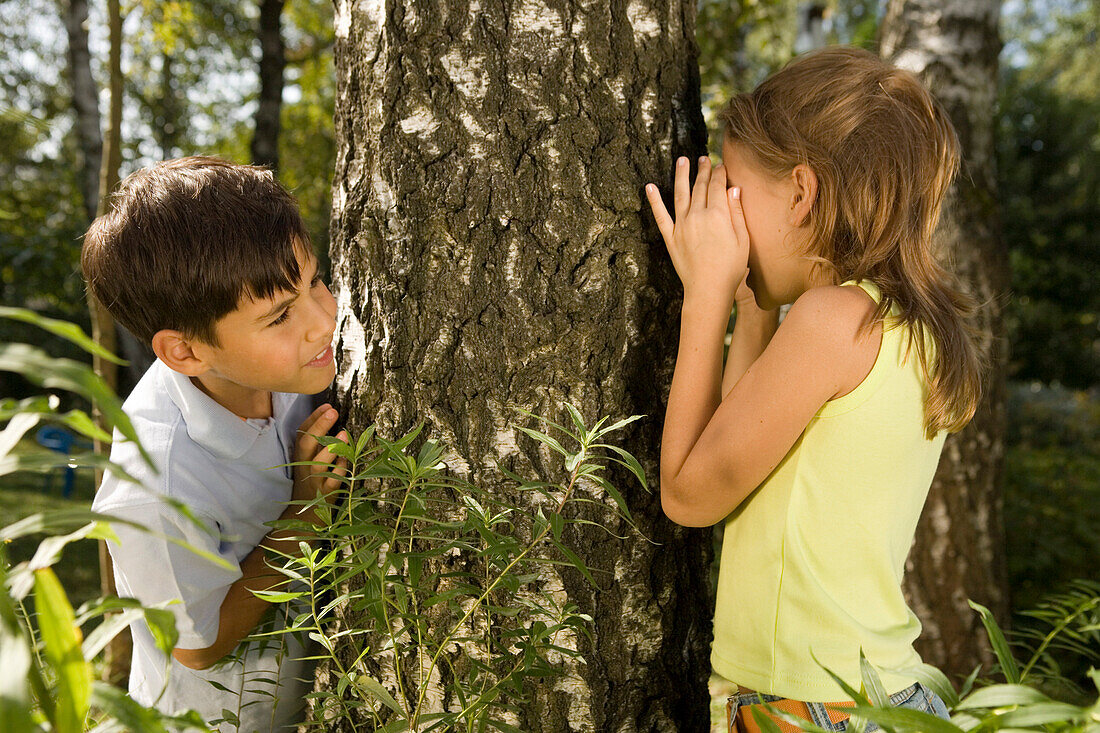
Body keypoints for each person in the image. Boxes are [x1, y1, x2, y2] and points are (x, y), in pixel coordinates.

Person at [645, 47, 984, 732]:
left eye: (735, 190)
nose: (726, 216)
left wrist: (706, 297)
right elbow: (743, 448)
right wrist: (754, 309)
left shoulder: (833, 321)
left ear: (802, 192)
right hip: (878, 700)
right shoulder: (902, 329)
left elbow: (690, 493)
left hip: (805, 711)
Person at [83, 157, 348, 731]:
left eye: (316, 282)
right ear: (186, 352)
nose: (324, 320)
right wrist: (302, 516)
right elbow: (196, 647)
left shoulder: (291, 370)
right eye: (280, 315)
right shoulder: (154, 483)